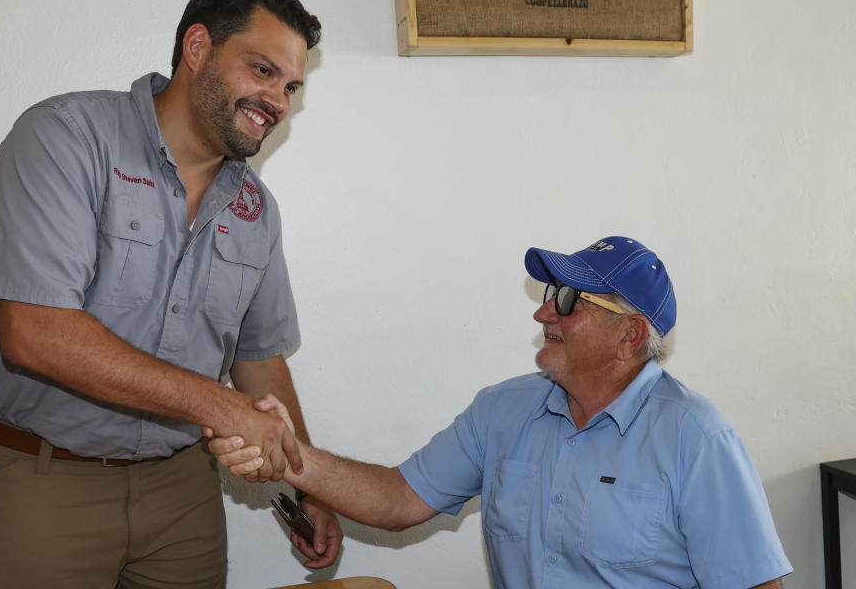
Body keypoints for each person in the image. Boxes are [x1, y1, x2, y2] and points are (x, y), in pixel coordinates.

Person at [0, 0, 341, 588]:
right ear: (198, 49)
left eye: (292, 86)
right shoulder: (66, 138)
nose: (278, 100)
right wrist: (222, 406)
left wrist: (309, 481)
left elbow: (260, 360)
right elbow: (36, 333)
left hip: (182, 490)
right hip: (43, 483)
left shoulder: (256, 210)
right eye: (263, 70)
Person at [213, 236, 793, 588]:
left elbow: (756, 586)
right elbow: (396, 499)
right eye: (548, 296)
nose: (545, 314)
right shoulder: (503, 410)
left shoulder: (696, 438)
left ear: (630, 336)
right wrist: (289, 456)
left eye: (568, 300)